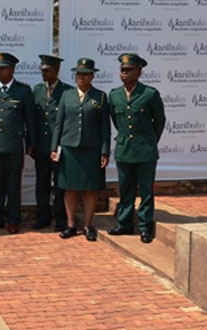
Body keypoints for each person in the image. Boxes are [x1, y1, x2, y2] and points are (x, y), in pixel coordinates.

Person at [107, 53, 167, 244]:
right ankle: (124, 223)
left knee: (146, 191)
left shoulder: (150, 94)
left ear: (139, 72)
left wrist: (148, 141)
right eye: (122, 70)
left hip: (145, 151)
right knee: (125, 190)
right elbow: (117, 122)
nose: (124, 73)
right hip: (124, 150)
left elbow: (159, 122)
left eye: (128, 70)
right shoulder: (114, 95)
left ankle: (144, 227)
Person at [51, 58, 110, 242]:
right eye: (78, 74)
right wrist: (54, 147)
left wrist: (104, 151)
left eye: (85, 74)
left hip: (91, 150)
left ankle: (87, 225)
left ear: (92, 76)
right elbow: (58, 123)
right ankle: (70, 225)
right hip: (69, 149)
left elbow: (105, 127)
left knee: (90, 190)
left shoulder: (100, 97)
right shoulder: (66, 95)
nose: (81, 78)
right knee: (70, 189)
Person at [0, 52, 36, 234]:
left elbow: (30, 120)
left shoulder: (23, 91)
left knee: (13, 184)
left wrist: (30, 143)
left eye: (3, 69)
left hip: (13, 146)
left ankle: (13, 219)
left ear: (12, 69)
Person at [31, 54, 72, 232]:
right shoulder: (37, 90)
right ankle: (43, 217)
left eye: (47, 70)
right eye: (42, 70)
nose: (44, 74)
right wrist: (32, 143)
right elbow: (33, 120)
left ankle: (61, 219)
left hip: (59, 147)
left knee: (60, 185)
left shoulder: (67, 91)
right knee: (42, 183)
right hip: (41, 146)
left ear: (57, 70)